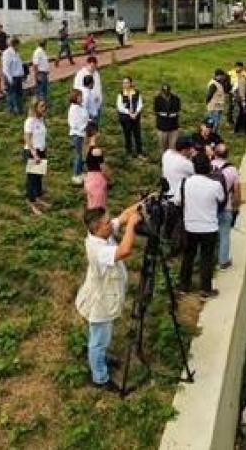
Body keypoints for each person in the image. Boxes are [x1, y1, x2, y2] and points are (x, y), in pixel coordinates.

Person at [74, 203, 143, 392]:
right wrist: (131, 226)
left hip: (106, 296)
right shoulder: (98, 249)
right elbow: (124, 251)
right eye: (106, 223)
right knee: (98, 339)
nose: (110, 225)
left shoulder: (101, 232)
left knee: (102, 334)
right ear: (97, 228)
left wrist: (141, 205)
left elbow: (122, 216)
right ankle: (100, 378)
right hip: (101, 302)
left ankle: (102, 358)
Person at [179, 153, 225, 297]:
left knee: (188, 256)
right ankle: (205, 288)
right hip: (208, 227)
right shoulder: (215, 185)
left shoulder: (185, 182)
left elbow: (181, 200)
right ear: (209, 168)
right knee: (207, 258)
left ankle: (184, 286)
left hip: (190, 225)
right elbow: (221, 199)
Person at [212, 143, 241, 270]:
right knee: (224, 234)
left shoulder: (209, 165)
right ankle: (223, 261)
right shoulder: (232, 170)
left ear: (214, 153)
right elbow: (237, 191)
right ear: (227, 155)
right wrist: (236, 207)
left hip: (210, 207)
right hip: (226, 207)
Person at [23, 98, 50, 214]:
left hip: (41, 150)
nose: (44, 108)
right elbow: (27, 139)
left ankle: (38, 197)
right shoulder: (30, 121)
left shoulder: (41, 119)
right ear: (35, 108)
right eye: (42, 106)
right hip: (32, 153)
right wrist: (34, 154)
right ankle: (31, 202)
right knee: (32, 179)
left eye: (44, 106)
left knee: (39, 177)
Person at [116, 76, 145, 159]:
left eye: (127, 82)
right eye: (124, 83)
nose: (125, 84)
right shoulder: (120, 94)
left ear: (131, 83)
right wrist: (129, 113)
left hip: (135, 117)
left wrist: (136, 113)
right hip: (125, 118)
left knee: (137, 135)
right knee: (127, 135)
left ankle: (139, 152)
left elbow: (140, 104)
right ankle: (129, 152)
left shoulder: (136, 93)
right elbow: (120, 107)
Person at [161, 136, 196, 203]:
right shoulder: (185, 163)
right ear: (184, 150)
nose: (192, 150)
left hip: (167, 193)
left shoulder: (166, 154)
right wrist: (193, 157)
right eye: (190, 148)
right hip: (178, 198)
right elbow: (200, 172)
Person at [153, 82, 182, 157]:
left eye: (167, 92)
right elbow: (156, 110)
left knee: (173, 148)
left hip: (173, 127)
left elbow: (178, 110)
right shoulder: (157, 99)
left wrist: (172, 114)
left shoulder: (176, 98)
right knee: (163, 148)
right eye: (164, 92)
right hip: (162, 128)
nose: (165, 94)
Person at [68, 88, 89, 185]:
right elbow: (73, 123)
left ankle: (80, 173)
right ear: (75, 97)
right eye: (80, 96)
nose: (82, 98)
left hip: (82, 133)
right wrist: (84, 127)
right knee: (78, 155)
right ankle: (76, 174)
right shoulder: (73, 109)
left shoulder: (81, 107)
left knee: (81, 154)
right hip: (77, 134)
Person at [73, 57, 103, 122]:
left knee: (95, 124)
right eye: (91, 66)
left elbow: (99, 87)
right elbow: (76, 90)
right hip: (85, 105)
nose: (93, 68)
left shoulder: (96, 74)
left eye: (94, 66)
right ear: (87, 64)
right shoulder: (80, 74)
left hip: (97, 104)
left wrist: (99, 98)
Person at [2, 36, 26, 115]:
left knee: (19, 94)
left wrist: (22, 75)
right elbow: (6, 68)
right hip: (11, 78)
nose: (19, 47)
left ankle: (19, 109)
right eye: (18, 45)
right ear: (14, 44)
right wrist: (10, 79)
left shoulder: (16, 53)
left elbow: (19, 65)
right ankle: (11, 110)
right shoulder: (7, 53)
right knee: (11, 94)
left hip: (18, 77)